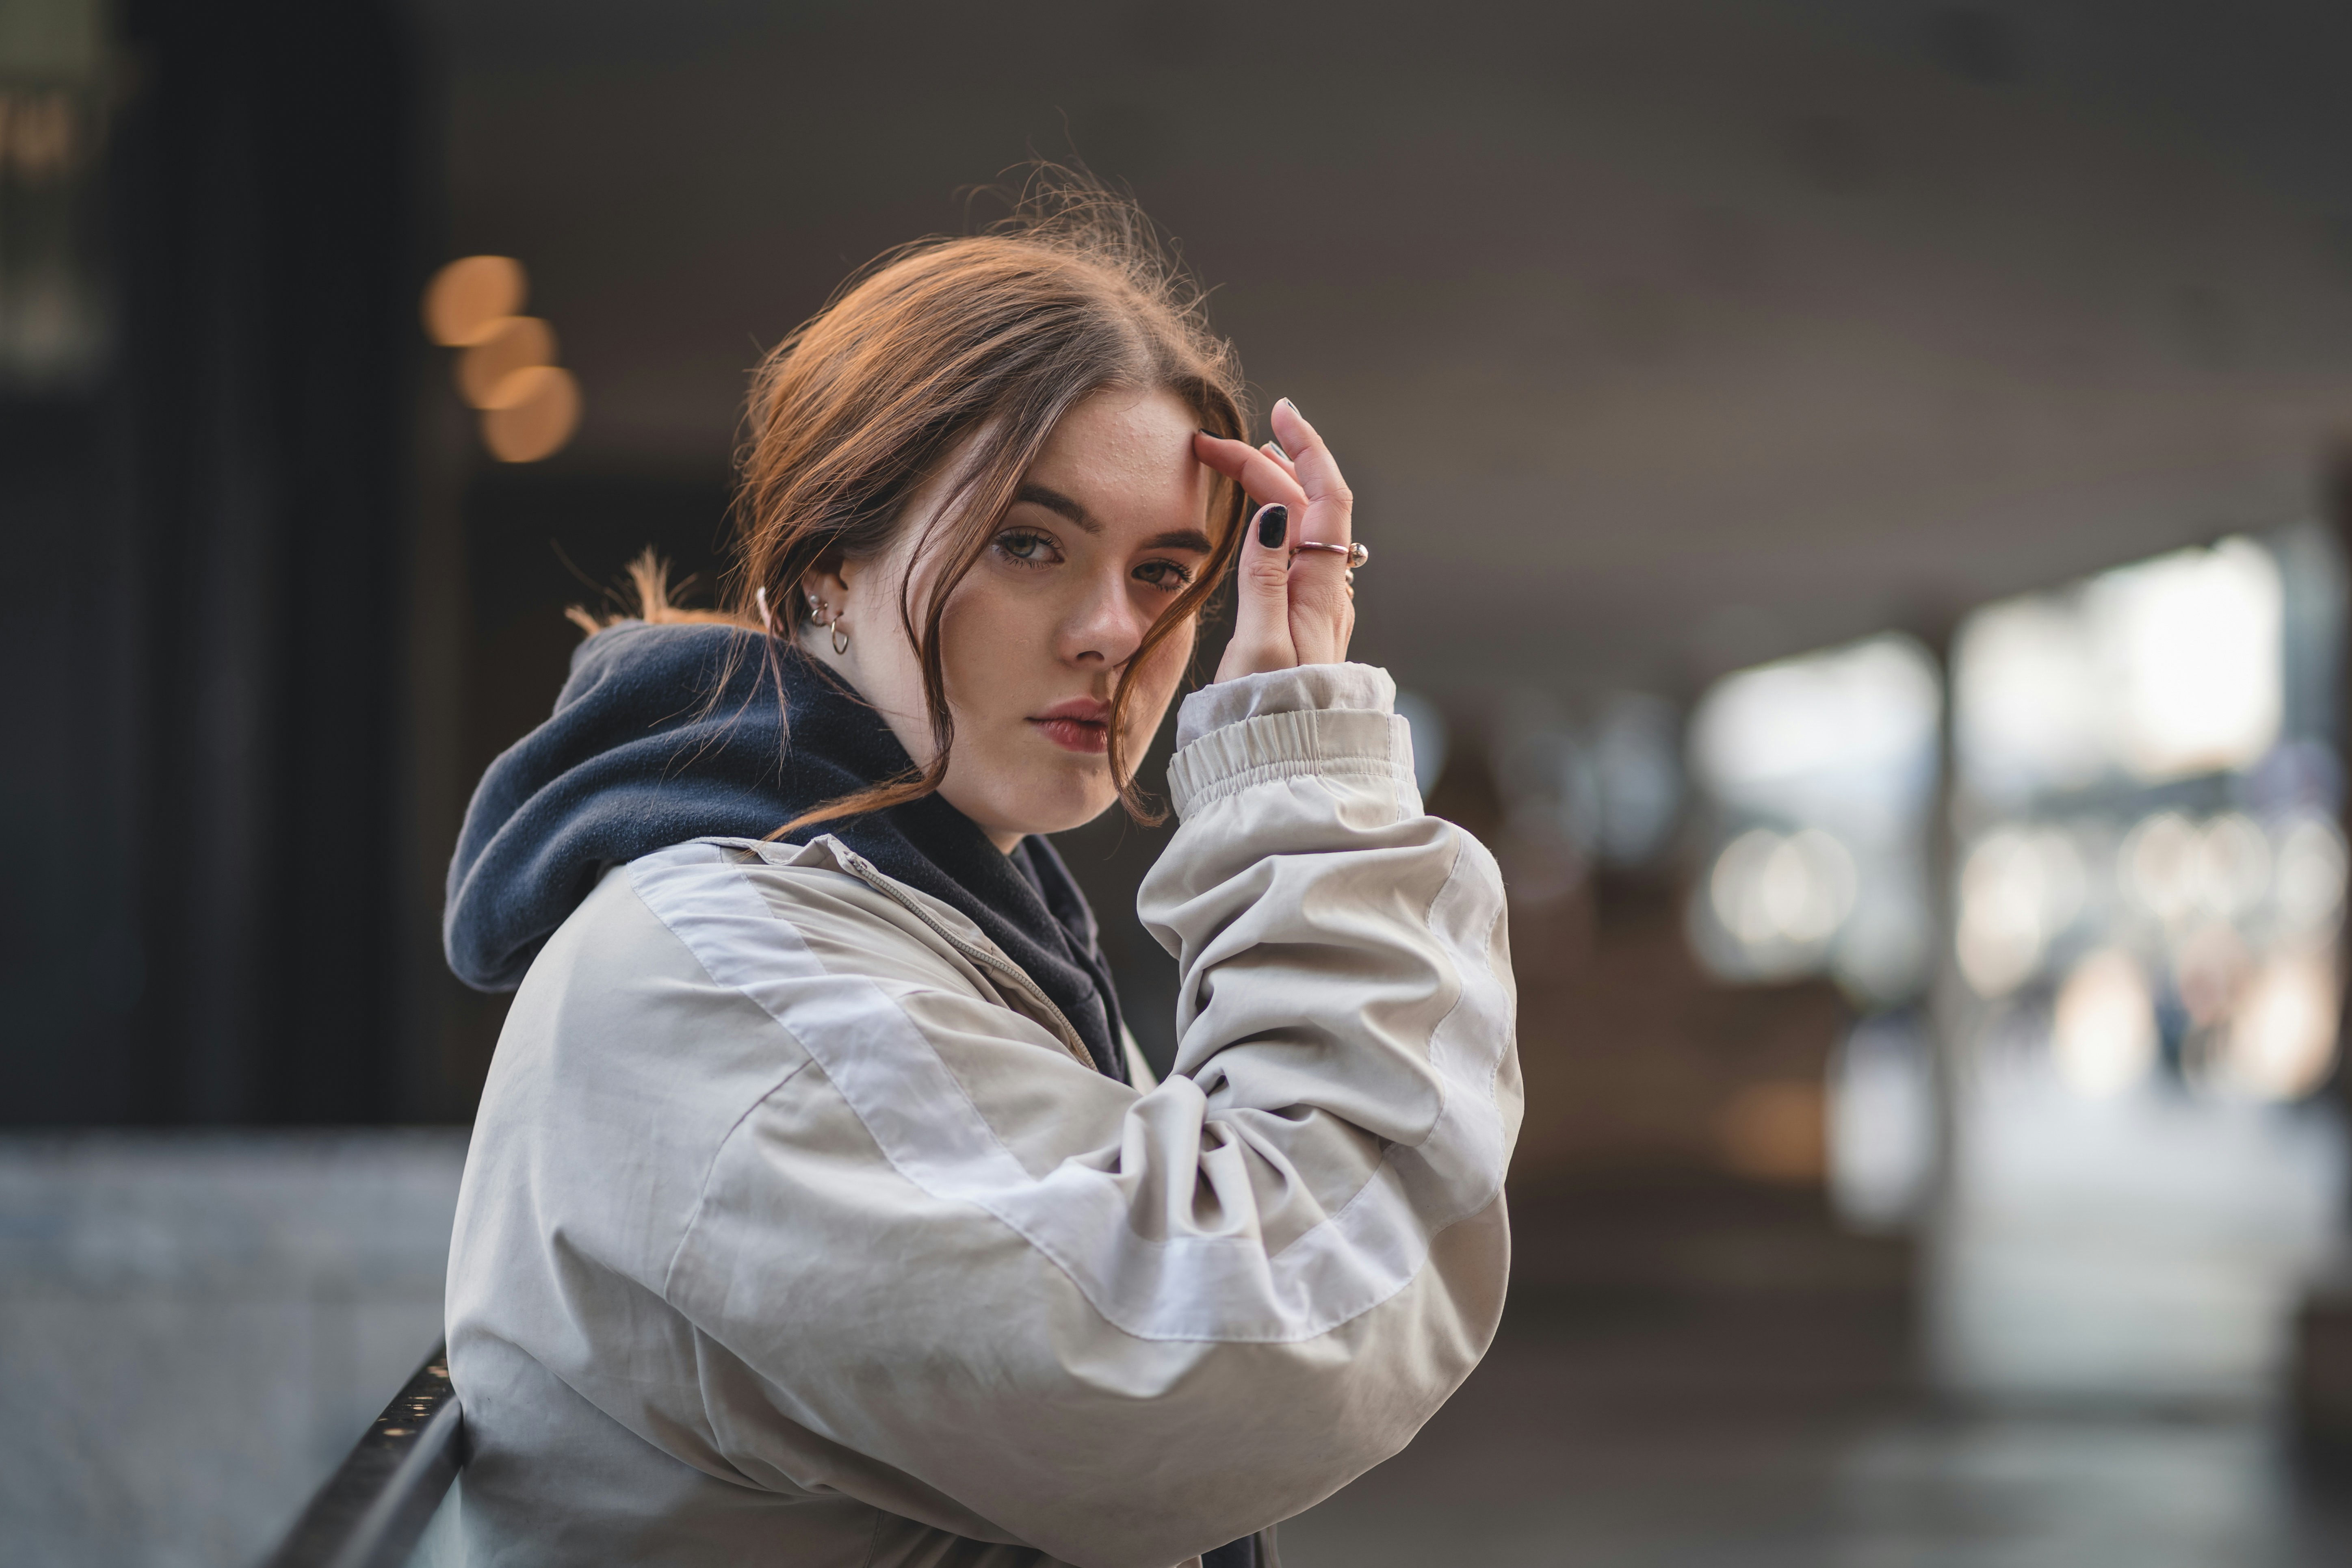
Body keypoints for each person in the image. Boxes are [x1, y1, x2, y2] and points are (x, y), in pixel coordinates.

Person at [440, 181, 1521, 1568]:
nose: (1108, 633)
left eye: (1166, 569)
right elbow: (1275, 1322)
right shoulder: (730, 978)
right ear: (829, 566)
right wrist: (1304, 771)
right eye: (1030, 544)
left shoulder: (928, 917)